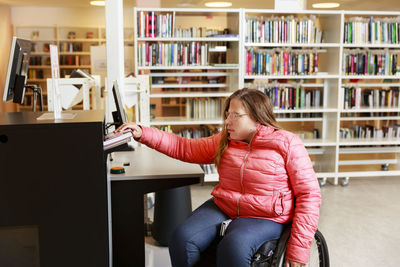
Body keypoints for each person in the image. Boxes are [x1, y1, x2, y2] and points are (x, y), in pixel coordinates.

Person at [116, 88, 321, 267]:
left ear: (256, 117)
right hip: (226, 205)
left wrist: (299, 248)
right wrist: (142, 133)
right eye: (227, 114)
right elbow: (184, 147)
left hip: (266, 214)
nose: (227, 121)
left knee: (233, 247)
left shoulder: (287, 143)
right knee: (181, 238)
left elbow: (309, 194)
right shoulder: (226, 140)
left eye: (235, 115)